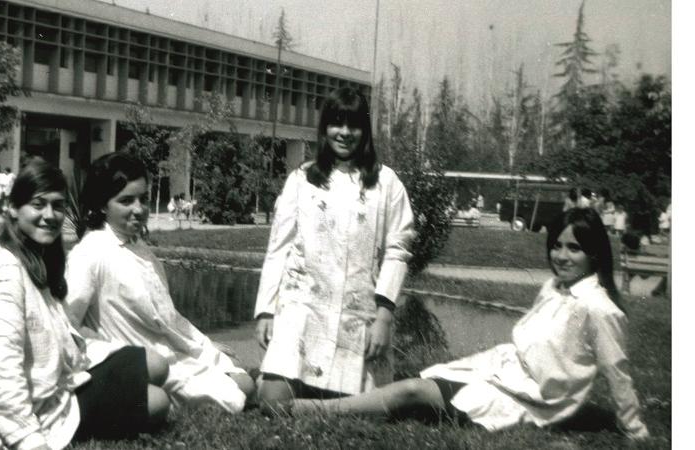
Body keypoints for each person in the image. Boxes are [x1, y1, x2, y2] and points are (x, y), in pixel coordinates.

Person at [293, 208, 649, 440]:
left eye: (574, 248)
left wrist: (634, 428)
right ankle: (331, 397)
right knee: (427, 382)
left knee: (413, 392)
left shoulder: (599, 308)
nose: (561, 256)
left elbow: (617, 372)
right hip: (502, 369)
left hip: (528, 399)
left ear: (595, 253)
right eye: (556, 245)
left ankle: (314, 409)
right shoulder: (553, 288)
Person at [0, 161, 171, 450]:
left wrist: (106, 351)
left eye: (58, 206)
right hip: (35, 402)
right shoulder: (2, 271)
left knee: (157, 365)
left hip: (60, 378)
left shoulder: (37, 255)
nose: (50, 215)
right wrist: (28, 439)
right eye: (38, 205)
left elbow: (61, 333)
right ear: (12, 208)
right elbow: (1, 365)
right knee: (159, 402)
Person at [254, 87, 416, 414]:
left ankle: (323, 406)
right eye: (336, 124)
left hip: (359, 314)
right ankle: (298, 394)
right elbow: (278, 248)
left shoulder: (386, 183)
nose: (344, 133)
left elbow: (398, 250)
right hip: (303, 308)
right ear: (324, 128)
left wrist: (383, 317)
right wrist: (266, 311)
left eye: (353, 125)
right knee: (272, 404)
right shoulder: (302, 180)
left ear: (365, 131)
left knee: (366, 412)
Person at [64, 152, 254, 414]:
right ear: (103, 205)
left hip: (169, 351)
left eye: (143, 198)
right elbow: (67, 323)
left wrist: (204, 344)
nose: (139, 209)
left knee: (243, 381)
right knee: (237, 395)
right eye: (126, 201)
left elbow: (168, 317)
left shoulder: (141, 249)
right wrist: (110, 350)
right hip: (139, 359)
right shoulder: (91, 252)